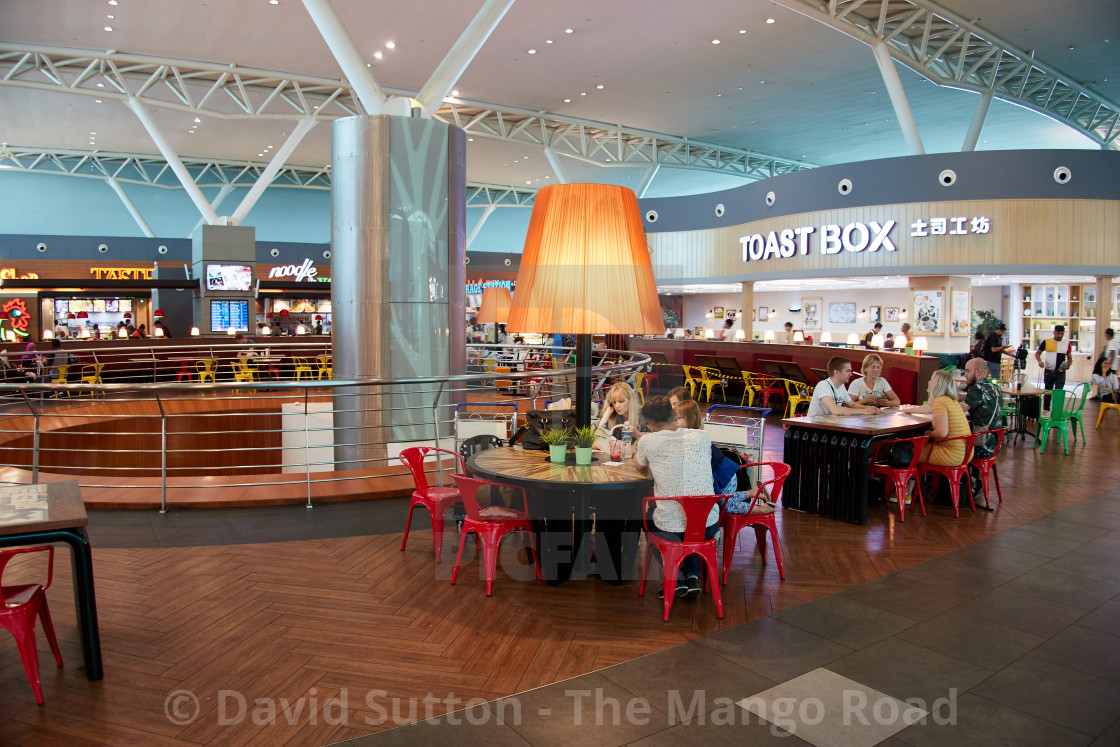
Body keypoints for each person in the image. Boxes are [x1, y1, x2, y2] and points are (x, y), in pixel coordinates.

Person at [635, 396, 719, 599]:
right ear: (674, 414)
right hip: (709, 524)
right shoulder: (702, 436)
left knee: (649, 519)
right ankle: (692, 576)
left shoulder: (647, 440)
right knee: (690, 519)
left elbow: (640, 467)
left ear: (650, 424)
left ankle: (677, 579)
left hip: (670, 529)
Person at [917, 369, 972, 466]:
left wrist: (929, 434)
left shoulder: (939, 402)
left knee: (911, 450)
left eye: (931, 380)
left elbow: (942, 433)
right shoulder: (952, 401)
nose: (929, 382)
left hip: (952, 455)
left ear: (936, 384)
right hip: (966, 454)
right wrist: (905, 410)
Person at [806, 356, 882, 416]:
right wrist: (864, 411)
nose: (851, 374)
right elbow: (835, 410)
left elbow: (851, 404)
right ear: (836, 372)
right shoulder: (823, 386)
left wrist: (869, 408)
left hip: (830, 425)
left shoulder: (841, 386)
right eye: (847, 371)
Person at [595, 381, 644, 449]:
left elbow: (652, 439)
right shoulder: (614, 416)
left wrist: (637, 434)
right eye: (614, 402)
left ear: (630, 401)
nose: (617, 406)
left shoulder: (643, 416)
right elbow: (598, 440)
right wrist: (607, 413)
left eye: (621, 402)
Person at [1035, 325, 1072, 391]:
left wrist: (1068, 365)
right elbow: (1037, 353)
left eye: (1062, 334)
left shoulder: (1067, 344)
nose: (1060, 335)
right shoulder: (1046, 342)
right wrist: (1040, 361)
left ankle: (1057, 402)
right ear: (1054, 332)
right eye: (1058, 333)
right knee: (1047, 393)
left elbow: (1070, 358)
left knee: (1058, 393)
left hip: (1060, 373)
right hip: (1049, 371)